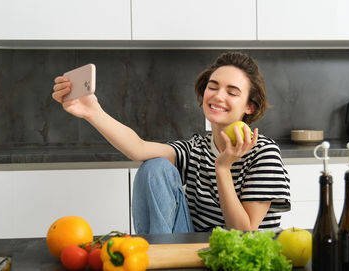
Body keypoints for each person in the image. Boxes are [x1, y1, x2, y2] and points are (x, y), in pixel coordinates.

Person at [51, 52, 290, 234]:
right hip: (193, 252)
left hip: (243, 259)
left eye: (232, 92)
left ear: (250, 106)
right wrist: (93, 111)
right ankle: (159, 255)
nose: (218, 96)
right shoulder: (197, 147)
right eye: (213, 87)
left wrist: (223, 168)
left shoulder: (263, 153)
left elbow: (244, 232)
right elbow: (139, 148)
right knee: (154, 167)